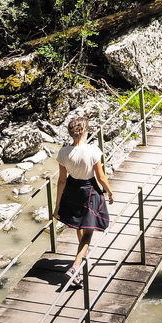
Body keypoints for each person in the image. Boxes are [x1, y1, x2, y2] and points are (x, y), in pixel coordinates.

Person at [53, 116, 113, 284]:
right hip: (89, 190)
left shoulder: (63, 152)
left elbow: (61, 180)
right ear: (85, 131)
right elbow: (100, 177)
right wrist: (110, 192)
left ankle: (82, 253)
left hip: (72, 190)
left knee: (80, 224)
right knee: (88, 231)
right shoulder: (93, 150)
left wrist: (57, 205)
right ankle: (76, 266)